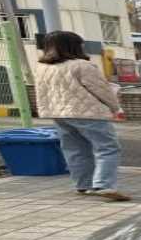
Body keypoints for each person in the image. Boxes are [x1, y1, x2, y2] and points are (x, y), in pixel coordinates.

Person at [35, 31, 131, 202]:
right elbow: (102, 90)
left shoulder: (42, 67)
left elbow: (42, 93)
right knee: (107, 148)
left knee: (75, 149)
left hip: (59, 114)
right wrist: (115, 107)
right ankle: (103, 185)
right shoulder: (82, 65)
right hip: (88, 113)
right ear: (74, 46)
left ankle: (83, 185)